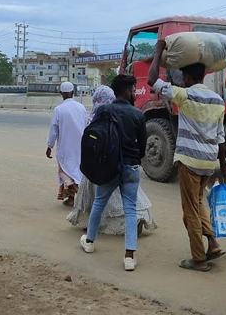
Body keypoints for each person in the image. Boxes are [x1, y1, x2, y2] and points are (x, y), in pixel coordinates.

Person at [147, 40, 226, 273]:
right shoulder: (218, 100)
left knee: (189, 212)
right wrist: (222, 166)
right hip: (208, 162)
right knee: (197, 203)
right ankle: (212, 244)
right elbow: (220, 137)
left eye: (183, 77)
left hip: (189, 162)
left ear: (186, 78)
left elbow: (151, 80)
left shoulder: (184, 96)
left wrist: (157, 53)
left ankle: (198, 259)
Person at [67, 86, 157, 236]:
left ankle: (91, 235)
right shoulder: (124, 116)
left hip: (99, 169)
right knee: (127, 202)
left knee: (99, 202)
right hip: (125, 164)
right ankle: (132, 235)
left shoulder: (94, 119)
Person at [79, 75, 147, 272]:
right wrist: (133, 160)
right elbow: (142, 147)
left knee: (99, 203)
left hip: (108, 167)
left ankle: (90, 242)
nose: (135, 93)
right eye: (134, 90)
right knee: (131, 210)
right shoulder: (138, 115)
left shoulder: (103, 110)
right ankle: (129, 256)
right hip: (131, 168)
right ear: (127, 92)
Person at [46, 82, 88, 207]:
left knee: (65, 172)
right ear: (73, 93)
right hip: (80, 146)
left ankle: (80, 196)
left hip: (65, 147)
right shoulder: (81, 107)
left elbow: (54, 130)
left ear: (61, 94)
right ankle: (71, 199)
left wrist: (49, 146)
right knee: (77, 171)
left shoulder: (59, 109)